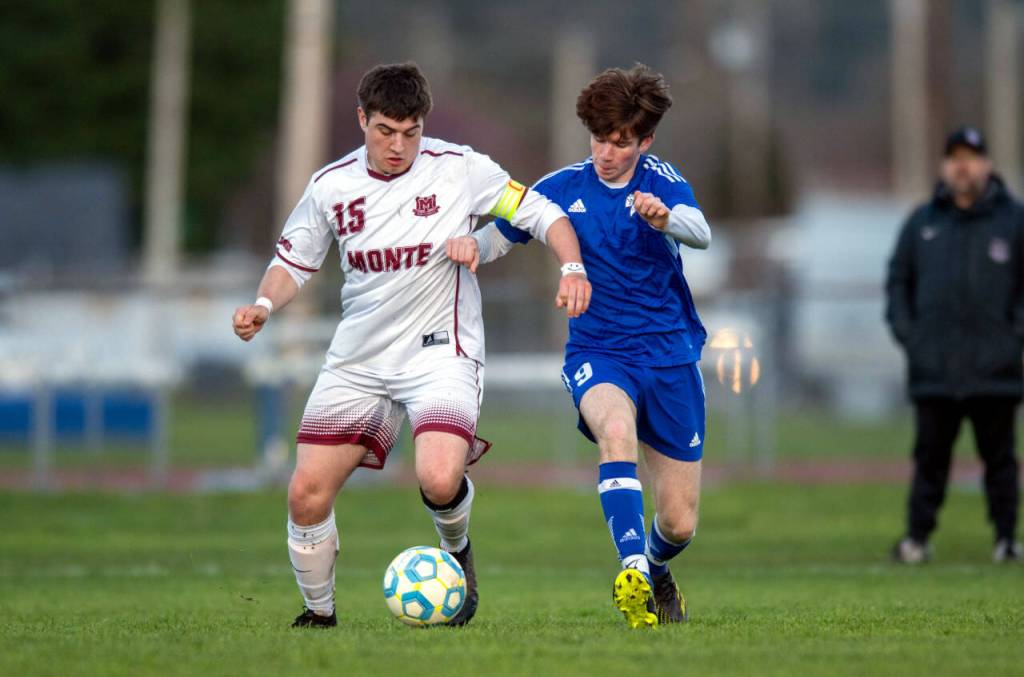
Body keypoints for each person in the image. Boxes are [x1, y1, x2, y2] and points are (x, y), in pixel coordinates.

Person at [232, 62, 592, 628]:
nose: (398, 145)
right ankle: (318, 616)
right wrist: (263, 306)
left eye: (410, 132)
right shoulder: (331, 185)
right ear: (361, 120)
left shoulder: (461, 168)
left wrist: (571, 266)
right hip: (360, 359)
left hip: (440, 352)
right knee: (305, 493)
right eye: (384, 131)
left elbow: (544, 212)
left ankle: (457, 553)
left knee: (439, 478)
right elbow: (292, 262)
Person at [448, 64, 711, 627]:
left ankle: (657, 568)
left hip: (670, 356)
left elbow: (700, 229)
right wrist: (470, 245)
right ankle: (634, 574)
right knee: (614, 433)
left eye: (621, 143)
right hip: (599, 351)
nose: (606, 153)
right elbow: (505, 232)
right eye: (599, 139)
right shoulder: (562, 187)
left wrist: (666, 219)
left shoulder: (660, 180)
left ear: (645, 141)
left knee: (681, 522)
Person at [886, 126, 1024, 564]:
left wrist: (1011, 340)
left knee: (1000, 461)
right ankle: (916, 539)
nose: (962, 165)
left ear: (987, 164)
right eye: (954, 157)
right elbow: (897, 282)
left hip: (995, 372)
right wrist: (913, 337)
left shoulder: (1013, 222)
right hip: (935, 370)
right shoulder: (922, 223)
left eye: (971, 156)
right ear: (945, 166)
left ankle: (1006, 540)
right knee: (930, 459)